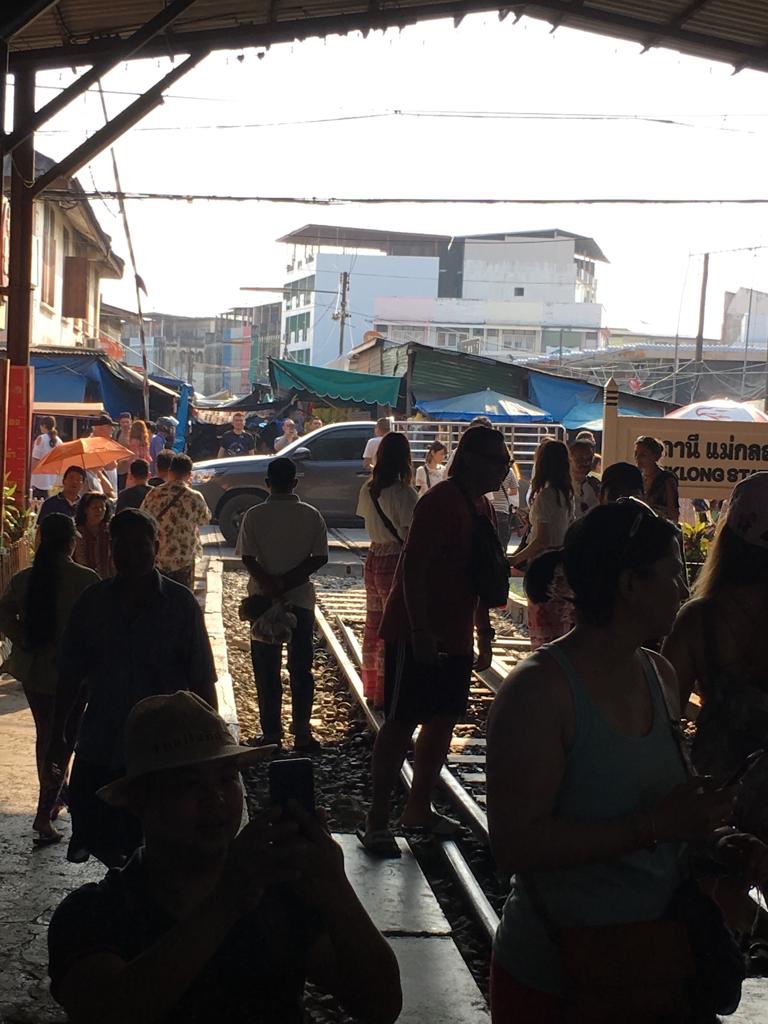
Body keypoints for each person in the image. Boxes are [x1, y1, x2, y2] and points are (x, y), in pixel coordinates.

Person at [486, 500, 747, 1023]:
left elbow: (664, 813)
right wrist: (656, 826)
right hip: (556, 976)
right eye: (674, 574)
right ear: (630, 584)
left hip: (652, 962)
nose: (683, 589)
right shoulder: (540, 690)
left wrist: (715, 840)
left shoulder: (658, 674)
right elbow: (515, 845)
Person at [47, 690, 402, 1024]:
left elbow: (381, 1005)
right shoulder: (92, 914)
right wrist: (227, 900)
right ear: (140, 801)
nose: (214, 800)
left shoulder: (280, 894)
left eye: (227, 778)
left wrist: (336, 890)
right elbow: (109, 1010)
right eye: (189, 784)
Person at [360, 425, 507, 855]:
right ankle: (377, 819)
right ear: (472, 460)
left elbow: (479, 576)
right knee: (401, 721)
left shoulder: (482, 506)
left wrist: (482, 633)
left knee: (442, 721)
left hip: (454, 633)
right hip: (416, 632)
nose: (504, 470)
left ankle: (418, 807)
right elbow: (414, 569)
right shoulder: (439, 502)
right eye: (498, 462)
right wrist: (420, 631)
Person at [50, 509, 218, 867]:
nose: (131, 554)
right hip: (102, 740)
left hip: (164, 747)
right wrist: (58, 734)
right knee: (97, 830)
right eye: (121, 546)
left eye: (140, 545)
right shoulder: (92, 603)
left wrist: (213, 744)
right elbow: (69, 675)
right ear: (110, 549)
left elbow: (202, 677)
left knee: (157, 833)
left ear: (156, 546)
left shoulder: (181, 604)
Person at [0, 515, 99, 845]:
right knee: (65, 738)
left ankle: (55, 794)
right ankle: (45, 812)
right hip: (75, 674)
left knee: (47, 734)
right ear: (72, 541)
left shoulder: (24, 578)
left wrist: (26, 640)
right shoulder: (86, 580)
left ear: (40, 538)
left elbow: (4, 614)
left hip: (35, 671)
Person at [236, 458, 328, 751]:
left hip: (262, 602)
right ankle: (302, 732)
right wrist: (287, 583)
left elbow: (247, 557)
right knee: (301, 668)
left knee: (266, 669)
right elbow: (320, 557)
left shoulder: (253, 515)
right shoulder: (311, 515)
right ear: (295, 483)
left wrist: (271, 585)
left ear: (267, 483)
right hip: (300, 600)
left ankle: (272, 734)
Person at [356, 433, 418, 708]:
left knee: (374, 623)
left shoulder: (368, 488)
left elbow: (367, 521)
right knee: (394, 625)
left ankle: (372, 687)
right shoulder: (405, 493)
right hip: (395, 560)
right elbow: (411, 533)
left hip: (373, 557)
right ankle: (387, 689)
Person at [511, 439, 574, 650]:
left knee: (542, 625)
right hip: (562, 565)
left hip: (543, 567)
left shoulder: (545, 495)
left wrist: (515, 558)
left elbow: (542, 539)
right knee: (559, 625)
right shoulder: (566, 494)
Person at [142, 453, 210, 590]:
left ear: (170, 471)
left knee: (159, 594)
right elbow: (204, 520)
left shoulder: (154, 494)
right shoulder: (194, 497)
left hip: (159, 556)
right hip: (183, 557)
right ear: (189, 474)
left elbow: (143, 516)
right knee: (183, 595)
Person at [635, 435, 680, 522]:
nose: (637, 458)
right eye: (636, 454)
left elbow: (674, 514)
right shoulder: (636, 478)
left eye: (643, 455)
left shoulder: (667, 479)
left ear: (655, 457)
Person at [74, 492, 114, 579]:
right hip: (83, 579)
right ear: (85, 509)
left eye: (102, 507)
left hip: (108, 579)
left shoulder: (111, 531)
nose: (99, 510)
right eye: (94, 507)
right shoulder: (76, 532)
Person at [30, 416, 63, 499]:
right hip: (52, 479)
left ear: (44, 425)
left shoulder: (41, 439)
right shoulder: (59, 441)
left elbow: (35, 459)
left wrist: (30, 474)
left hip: (38, 479)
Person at [86, 414, 118, 498]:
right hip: (100, 492)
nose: (113, 429)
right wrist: (110, 493)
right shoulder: (91, 445)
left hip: (109, 491)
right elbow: (106, 467)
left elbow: (113, 465)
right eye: (109, 427)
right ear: (99, 428)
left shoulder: (104, 443)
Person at [569, 438, 600, 518]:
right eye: (580, 458)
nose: (586, 462)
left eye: (589, 458)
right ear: (570, 457)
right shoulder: (561, 486)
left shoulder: (595, 486)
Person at [115, 413, 133, 489]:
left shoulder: (134, 435)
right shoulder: (117, 433)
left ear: (131, 422)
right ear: (120, 423)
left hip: (131, 469)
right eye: (123, 422)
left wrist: (126, 460)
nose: (125, 424)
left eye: (127, 422)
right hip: (119, 469)